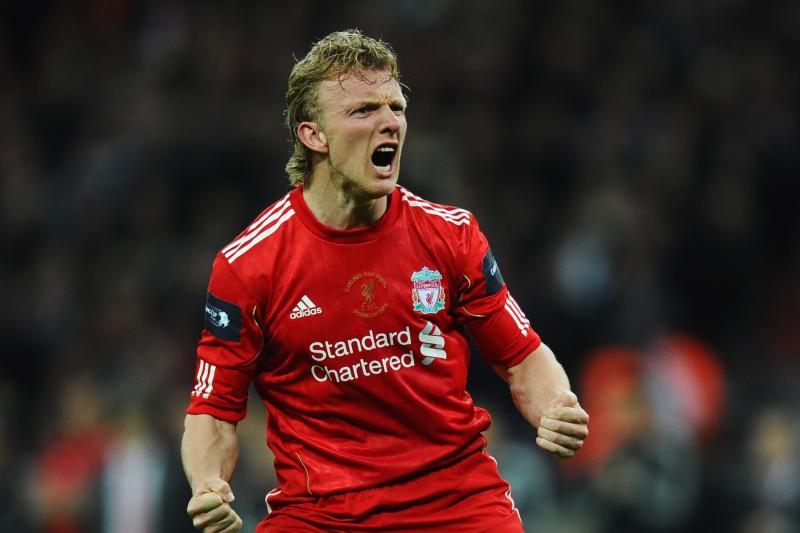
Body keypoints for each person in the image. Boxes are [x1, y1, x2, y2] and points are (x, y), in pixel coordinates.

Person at [181, 29, 589, 533]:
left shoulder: (451, 235)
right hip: (321, 516)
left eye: (396, 107)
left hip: (456, 505)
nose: (390, 122)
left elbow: (521, 356)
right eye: (364, 111)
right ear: (314, 136)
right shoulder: (248, 265)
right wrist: (208, 484)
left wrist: (556, 406)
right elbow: (213, 409)